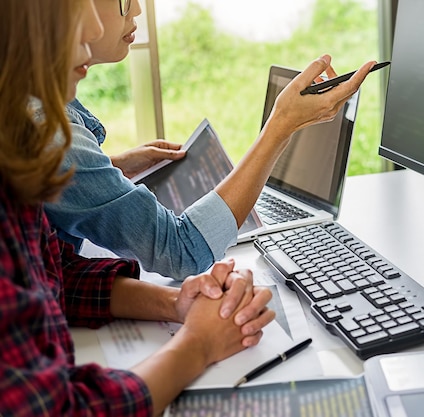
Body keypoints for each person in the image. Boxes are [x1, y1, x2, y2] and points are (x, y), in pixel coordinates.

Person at [0, 0, 274, 415]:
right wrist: (198, 345)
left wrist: (176, 304)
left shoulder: (15, 154)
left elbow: (56, 274)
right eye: (78, 7)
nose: (93, 28)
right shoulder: (45, 136)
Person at [44, 0, 377, 280]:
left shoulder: (44, 120)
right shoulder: (52, 135)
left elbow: (62, 174)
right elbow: (181, 251)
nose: (137, 13)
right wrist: (282, 126)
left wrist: (110, 167)